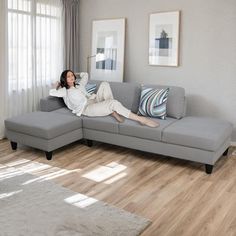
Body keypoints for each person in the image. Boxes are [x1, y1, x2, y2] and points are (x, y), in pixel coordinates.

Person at [49, 70, 159, 128]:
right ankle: (141, 119)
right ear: (64, 79)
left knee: (105, 84)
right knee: (113, 103)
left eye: (72, 75)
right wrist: (57, 85)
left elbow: (85, 75)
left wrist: (74, 73)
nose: (72, 77)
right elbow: (52, 92)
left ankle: (112, 112)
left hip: (93, 101)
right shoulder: (65, 91)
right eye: (68, 76)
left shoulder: (79, 85)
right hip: (86, 109)